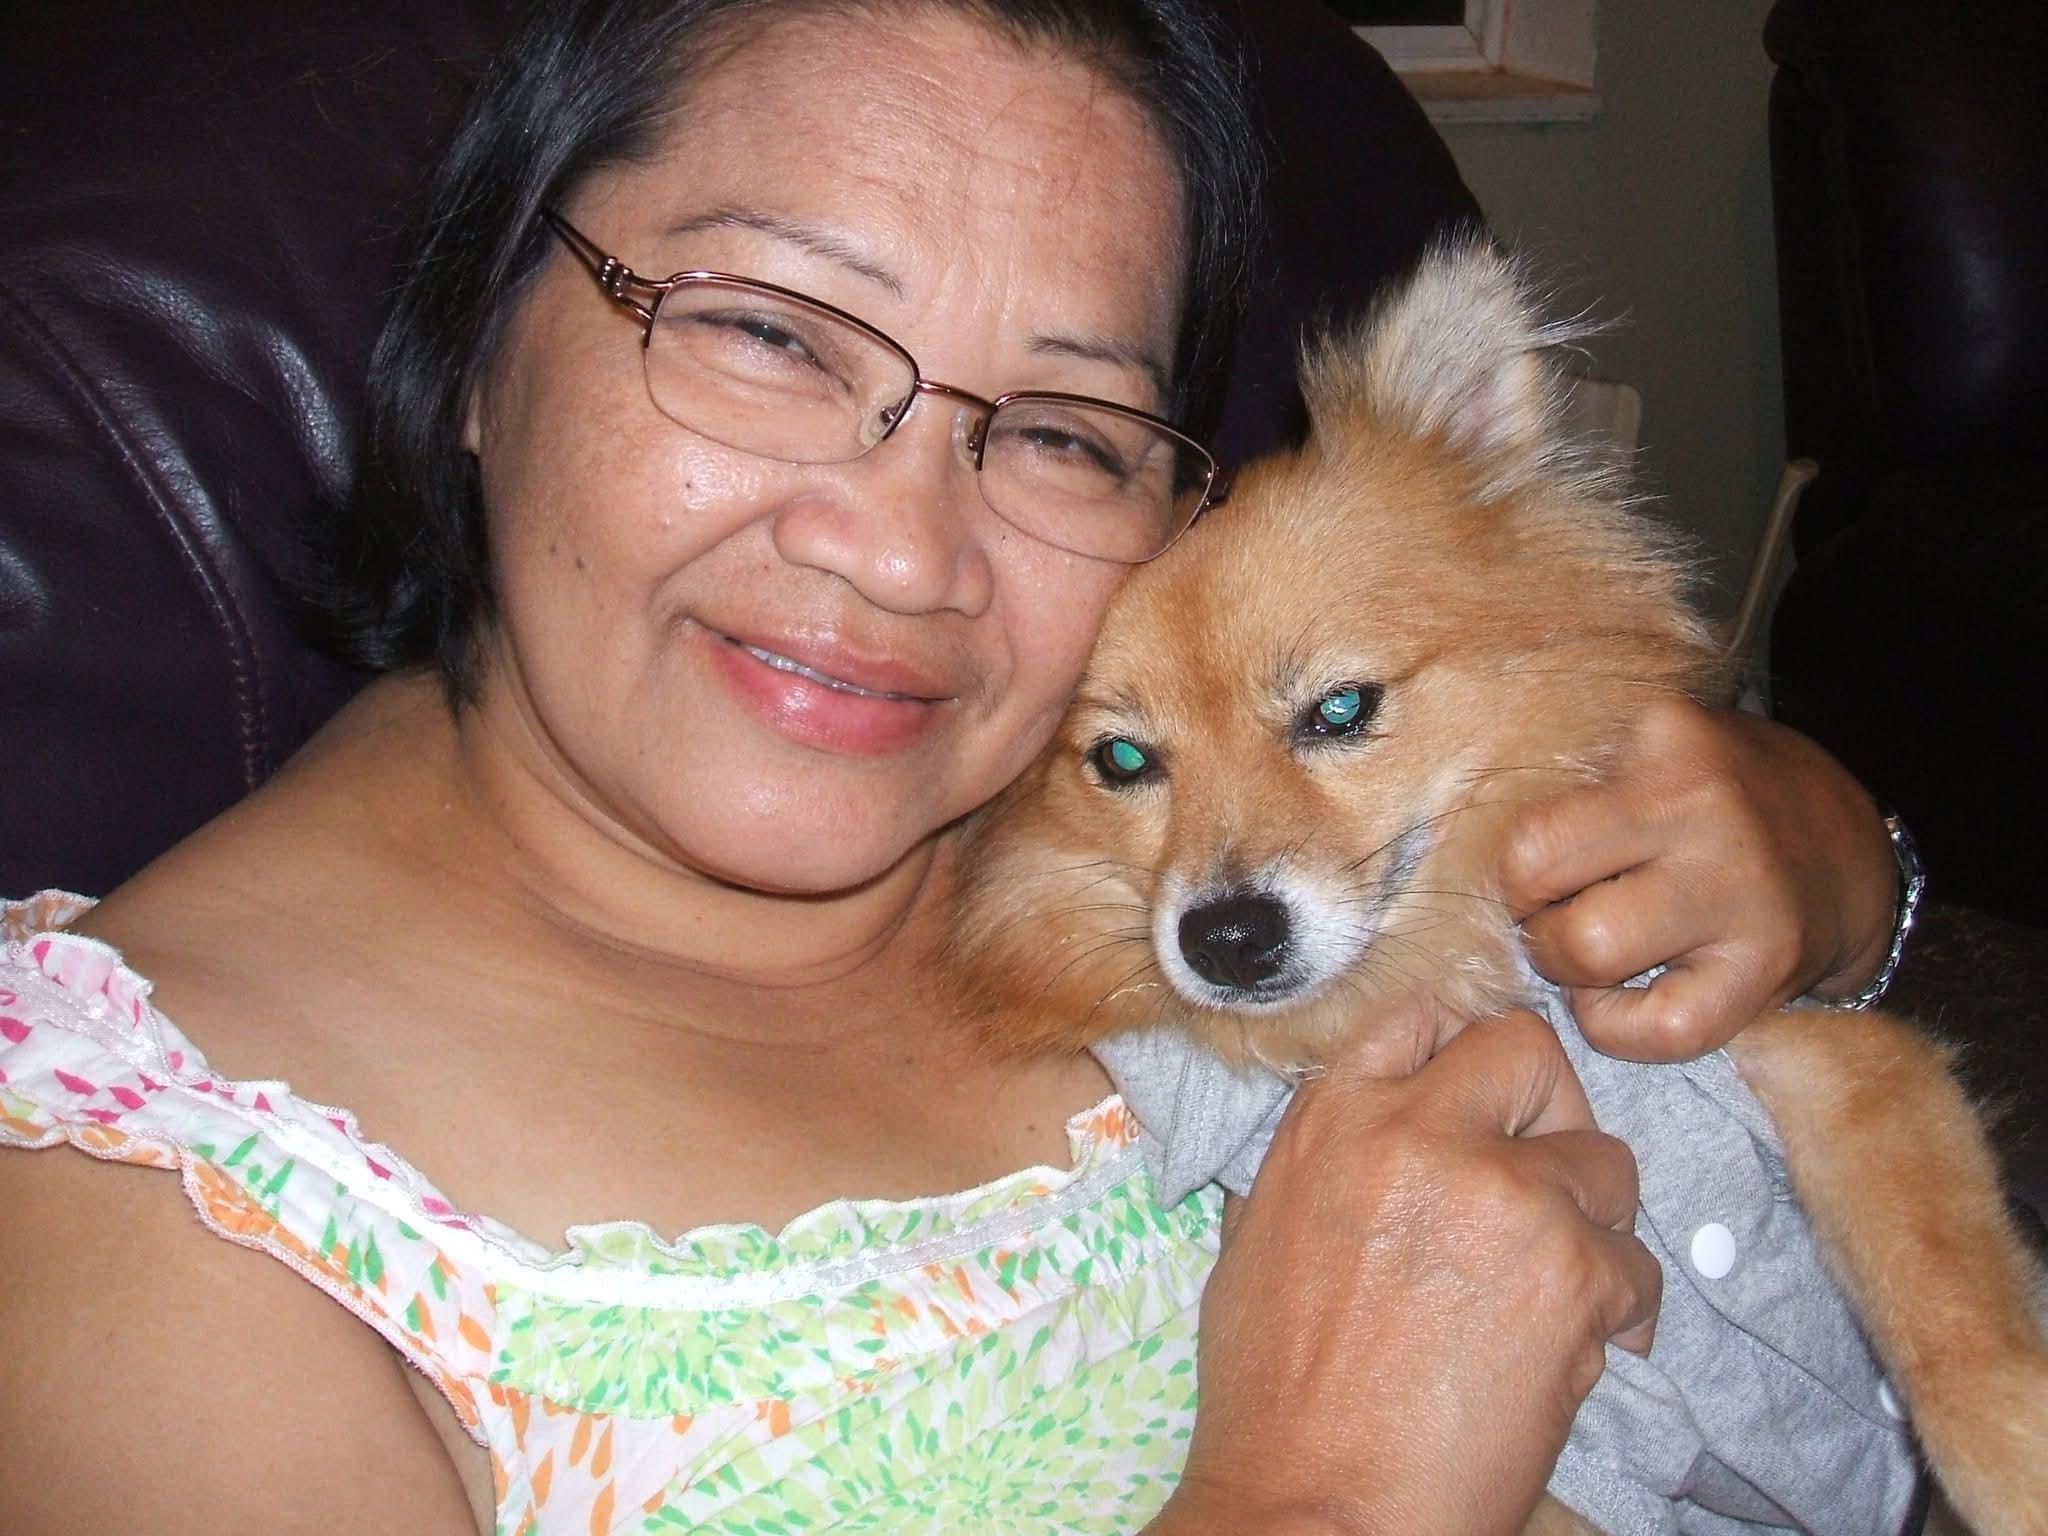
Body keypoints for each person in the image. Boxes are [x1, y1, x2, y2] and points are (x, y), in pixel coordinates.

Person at [0, 1, 1905, 1531]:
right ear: (484, 339)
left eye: (1067, 432)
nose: (910, 555)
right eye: (763, 330)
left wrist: (1833, 873)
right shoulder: (128, 1236)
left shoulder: (1124, 811)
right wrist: (1331, 1493)